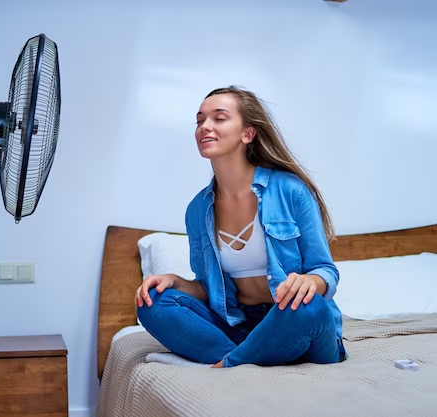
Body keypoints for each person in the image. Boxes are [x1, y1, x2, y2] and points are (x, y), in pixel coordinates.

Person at [135, 86, 347, 368]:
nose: (204, 127)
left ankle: (229, 364)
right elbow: (209, 289)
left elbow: (326, 271)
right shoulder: (198, 210)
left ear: (247, 134)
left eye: (218, 118)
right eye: (200, 120)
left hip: (296, 325)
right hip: (240, 329)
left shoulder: (290, 191)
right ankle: (249, 355)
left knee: (309, 306)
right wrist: (176, 281)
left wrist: (311, 281)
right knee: (153, 301)